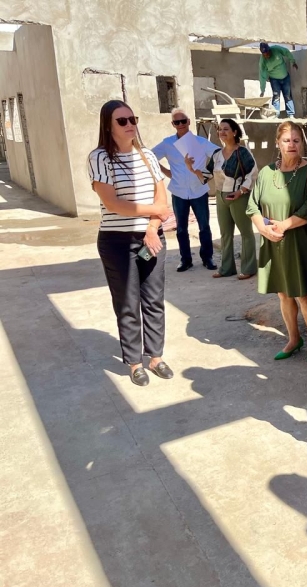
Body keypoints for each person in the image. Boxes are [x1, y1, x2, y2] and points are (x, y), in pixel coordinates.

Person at [88, 100, 174, 387]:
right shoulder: (99, 158)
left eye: (133, 119)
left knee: (154, 299)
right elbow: (113, 204)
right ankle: (135, 362)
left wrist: (152, 229)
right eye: (122, 121)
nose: (130, 125)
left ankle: (156, 357)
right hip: (117, 241)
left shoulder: (147, 155)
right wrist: (155, 212)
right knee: (127, 301)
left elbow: (161, 199)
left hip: (151, 237)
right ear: (108, 126)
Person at [247, 121, 307, 363]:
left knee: (303, 294)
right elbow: (252, 205)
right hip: (272, 241)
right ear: (278, 142)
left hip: (299, 241)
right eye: (286, 140)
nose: (291, 145)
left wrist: (285, 225)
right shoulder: (267, 172)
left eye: (296, 140)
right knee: (283, 294)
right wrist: (262, 228)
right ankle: (293, 338)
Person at [187, 118, 258, 280]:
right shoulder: (217, 155)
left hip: (239, 196)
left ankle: (249, 268)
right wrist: (191, 168)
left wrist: (241, 191)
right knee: (225, 234)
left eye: (226, 129)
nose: (222, 132)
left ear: (234, 132)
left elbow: (253, 174)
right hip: (220, 196)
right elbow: (207, 175)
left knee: (246, 232)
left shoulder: (243, 153)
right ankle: (227, 268)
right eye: (219, 129)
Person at [152, 108, 218, 272]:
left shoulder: (201, 142)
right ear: (173, 124)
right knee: (181, 229)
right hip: (179, 191)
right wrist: (167, 172)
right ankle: (185, 260)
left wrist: (207, 173)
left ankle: (207, 258)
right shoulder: (167, 143)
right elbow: (150, 157)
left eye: (183, 121)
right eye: (177, 122)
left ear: (189, 122)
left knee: (204, 226)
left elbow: (219, 155)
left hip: (199, 190)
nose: (180, 124)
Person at [259, 42, 298, 118]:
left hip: (285, 77)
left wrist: (293, 61)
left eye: (267, 52)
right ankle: (275, 115)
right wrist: (262, 90)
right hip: (274, 80)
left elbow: (286, 52)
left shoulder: (276, 49)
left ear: (269, 49)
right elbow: (262, 76)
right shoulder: (262, 61)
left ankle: (291, 115)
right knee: (276, 97)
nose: (267, 55)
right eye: (264, 54)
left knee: (288, 96)